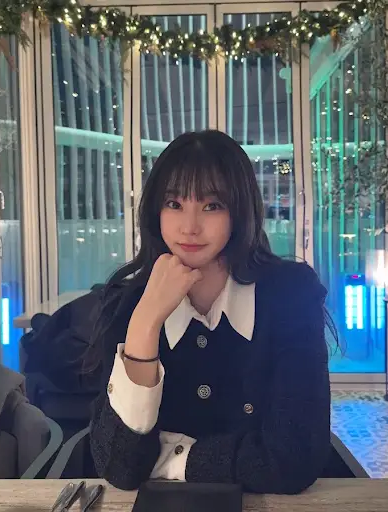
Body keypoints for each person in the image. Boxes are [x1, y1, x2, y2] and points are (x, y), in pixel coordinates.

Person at [86, 130, 334, 495]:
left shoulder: (289, 295)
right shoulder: (127, 302)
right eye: (174, 203)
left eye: (212, 205)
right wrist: (145, 322)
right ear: (155, 211)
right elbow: (118, 468)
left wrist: (170, 460)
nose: (189, 227)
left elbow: (293, 459)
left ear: (240, 211)